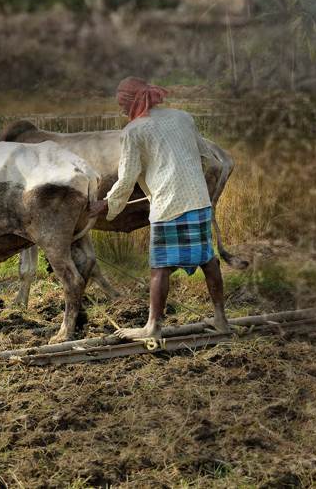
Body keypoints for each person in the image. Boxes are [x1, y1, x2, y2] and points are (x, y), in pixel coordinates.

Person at [89, 76, 230, 340]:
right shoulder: (183, 117)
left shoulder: (134, 131)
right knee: (208, 259)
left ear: (133, 102)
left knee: (160, 266)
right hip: (198, 199)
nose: (121, 110)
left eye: (122, 104)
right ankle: (221, 319)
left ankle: (152, 327)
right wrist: (191, 180)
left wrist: (107, 204)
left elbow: (127, 179)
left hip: (168, 204)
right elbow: (207, 157)